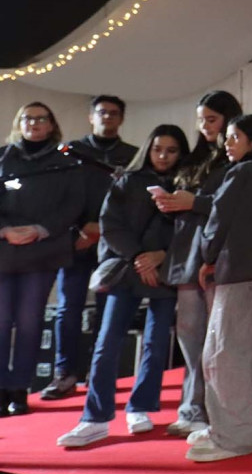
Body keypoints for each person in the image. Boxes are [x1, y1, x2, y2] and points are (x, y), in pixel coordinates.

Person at [57, 125, 191, 447]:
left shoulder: (186, 186)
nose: (163, 156)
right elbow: (110, 225)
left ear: (181, 154)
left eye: (171, 150)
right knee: (107, 342)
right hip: (127, 270)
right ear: (147, 149)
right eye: (157, 149)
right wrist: (139, 258)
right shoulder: (128, 180)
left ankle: (140, 407)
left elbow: (190, 231)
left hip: (166, 271)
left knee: (156, 344)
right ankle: (94, 418)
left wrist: (162, 257)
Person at [185, 114, 252, 462]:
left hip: (239, 271)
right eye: (227, 137)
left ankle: (234, 436)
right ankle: (229, 426)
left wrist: (208, 256)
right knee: (237, 351)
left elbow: (219, 217)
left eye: (234, 137)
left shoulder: (244, 172)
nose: (226, 144)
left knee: (221, 354)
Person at [154, 90, 242, 437]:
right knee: (190, 336)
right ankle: (192, 408)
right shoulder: (194, 158)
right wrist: (170, 203)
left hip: (217, 253)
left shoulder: (237, 159)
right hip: (186, 252)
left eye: (211, 119)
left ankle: (216, 412)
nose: (205, 126)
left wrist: (195, 203)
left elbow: (235, 206)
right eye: (201, 120)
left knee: (217, 340)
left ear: (228, 119)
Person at [41, 95, 138, 401]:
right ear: (91, 117)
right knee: (68, 309)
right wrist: (80, 228)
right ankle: (65, 374)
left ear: (121, 119)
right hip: (76, 241)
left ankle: (100, 374)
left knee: (108, 312)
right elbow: (57, 198)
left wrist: (104, 230)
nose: (107, 117)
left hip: (114, 245)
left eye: (113, 113)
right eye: (102, 112)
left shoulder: (133, 156)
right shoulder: (70, 151)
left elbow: (135, 203)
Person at [0, 103, 84, 417]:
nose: (34, 124)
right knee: (0, 321)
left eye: (41, 119)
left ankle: (19, 388)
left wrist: (40, 229)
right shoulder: (3, 157)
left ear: (51, 125)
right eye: (28, 118)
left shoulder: (66, 162)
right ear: (18, 123)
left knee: (29, 322)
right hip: (4, 247)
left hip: (43, 250)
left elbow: (74, 204)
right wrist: (5, 230)